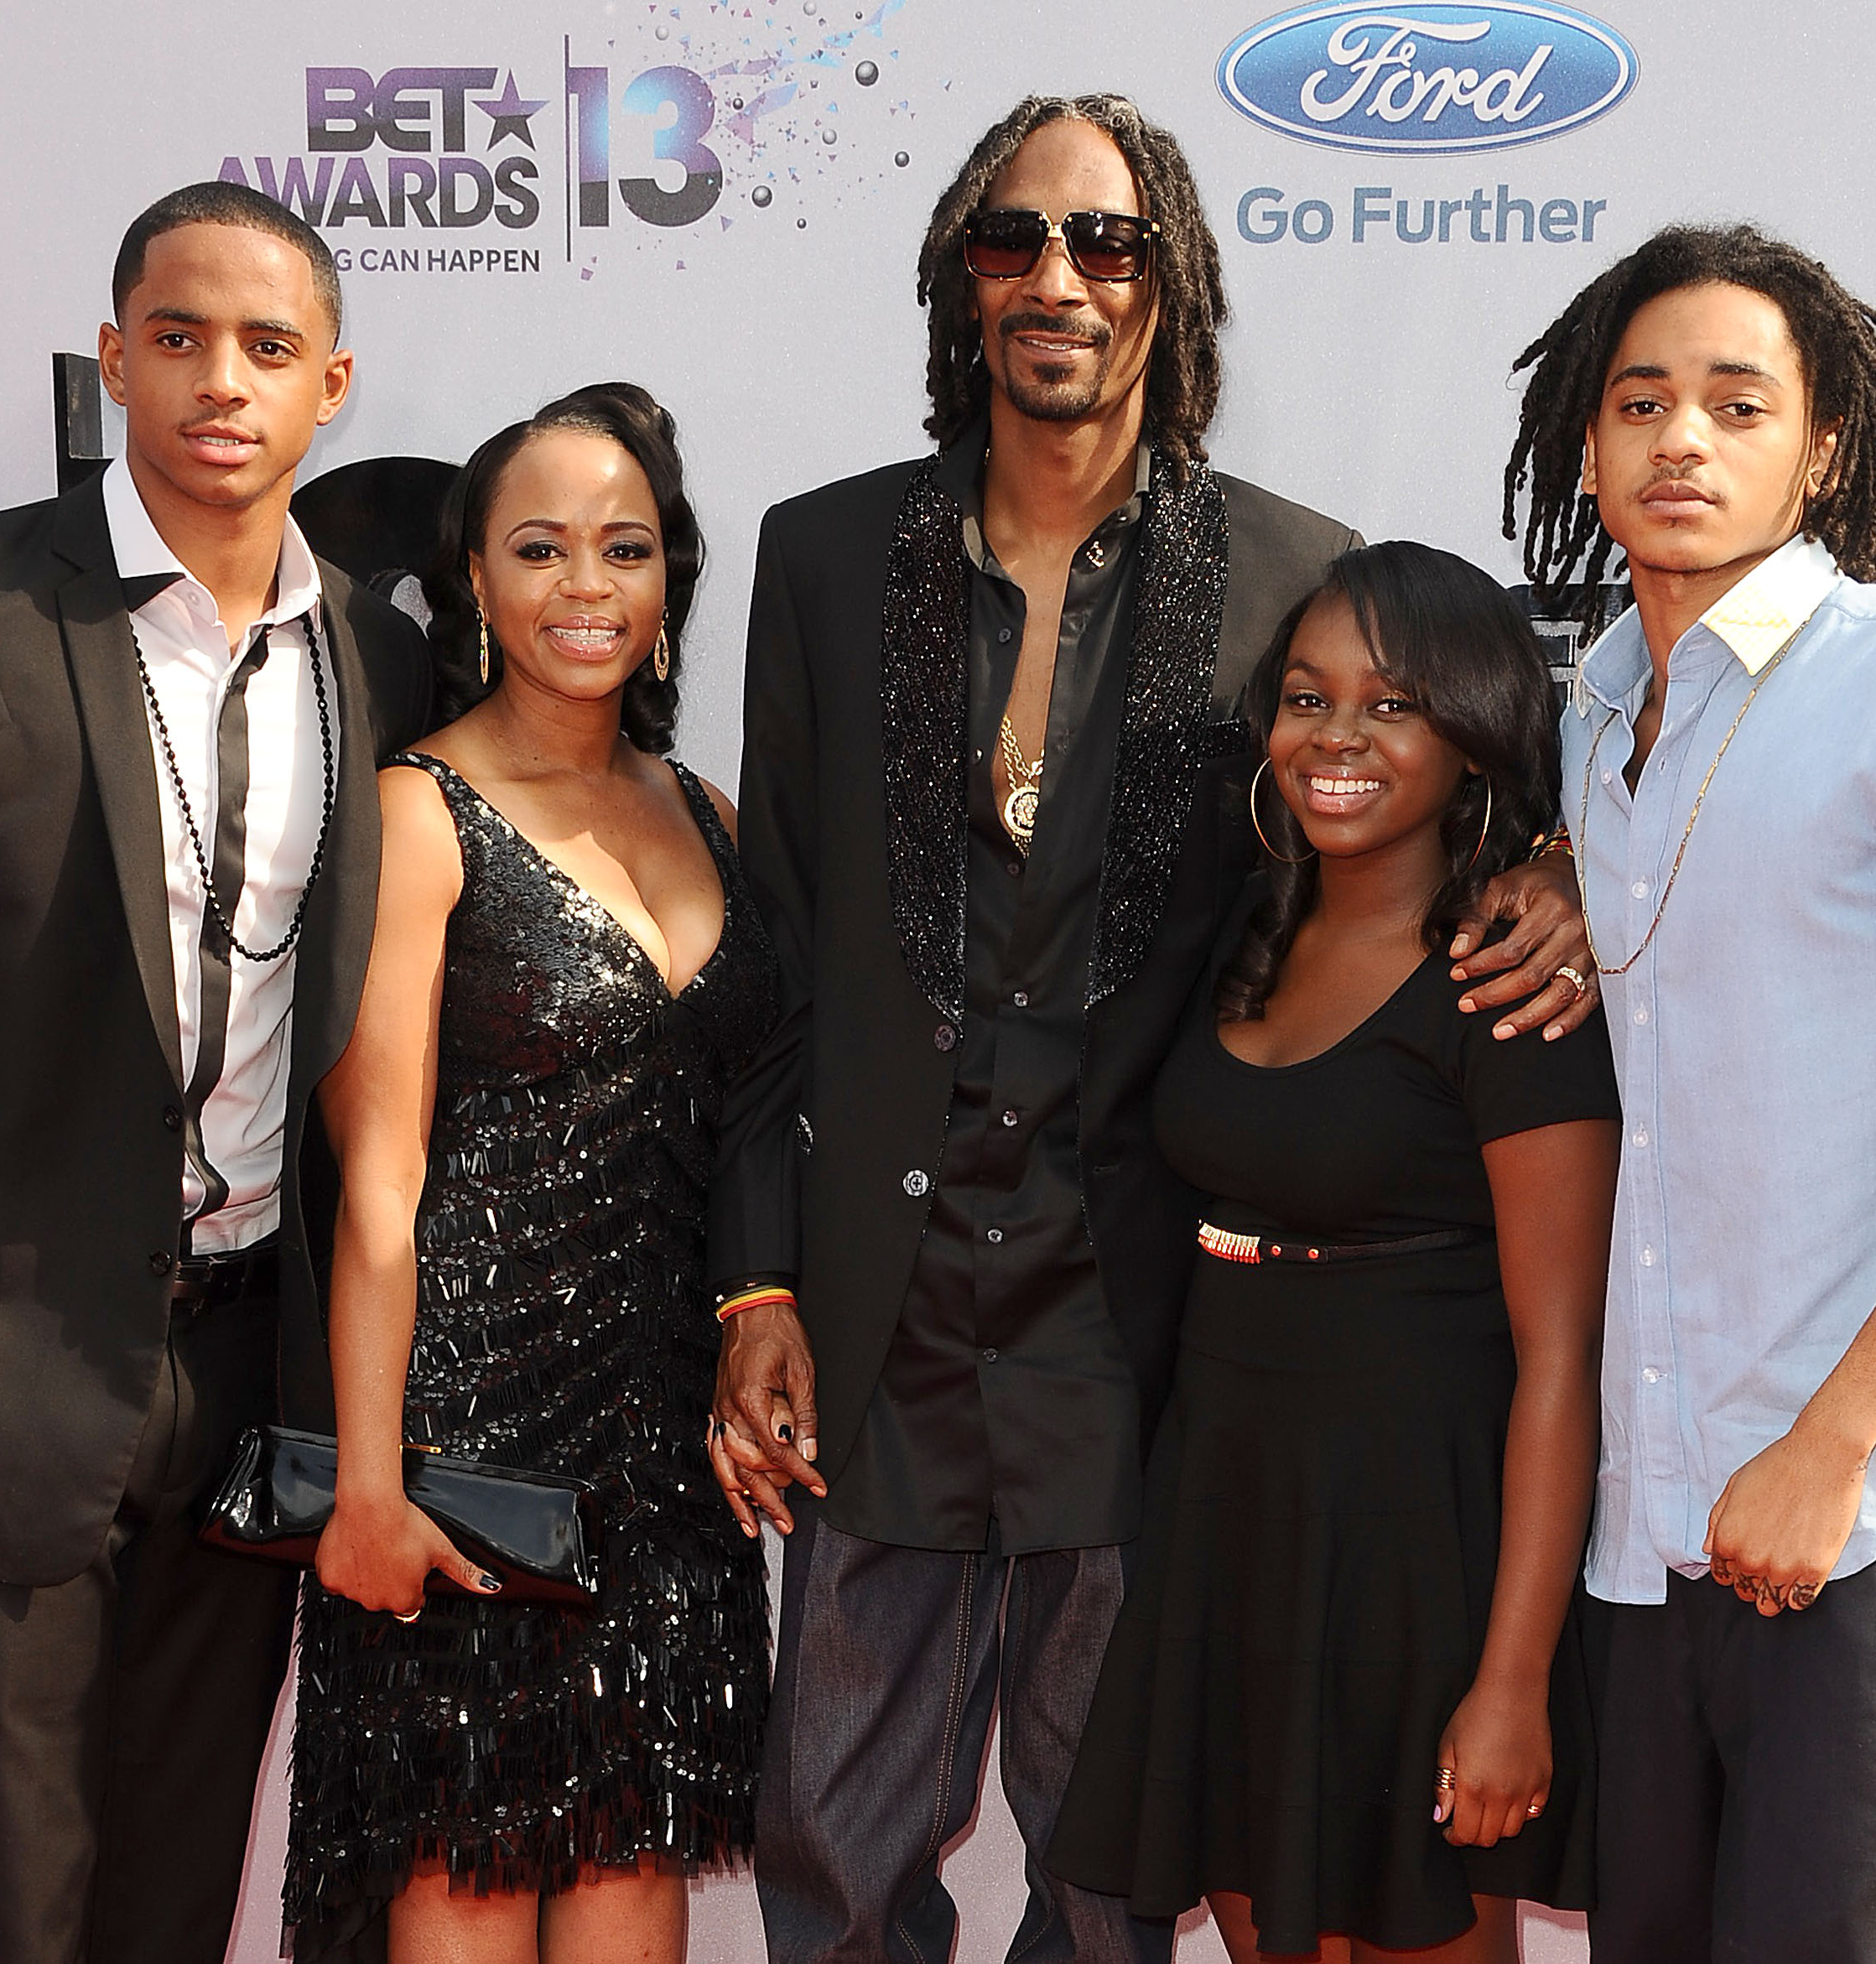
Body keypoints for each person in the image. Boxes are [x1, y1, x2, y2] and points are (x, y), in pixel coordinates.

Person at [703, 95, 1596, 1964]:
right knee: (835, 1858)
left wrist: (1565, 868)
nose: (1060, 279)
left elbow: (1412, 795)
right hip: (880, 1320)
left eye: (1106, 243)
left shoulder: (1289, 571)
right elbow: (773, 967)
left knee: (1114, 1872)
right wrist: (756, 1287)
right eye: (1016, 240)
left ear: (1171, 288)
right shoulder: (824, 555)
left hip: (1138, 1331)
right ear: (963, 285)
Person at [0, 181, 429, 1963]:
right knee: (6, 1910)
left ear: (332, 382)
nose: (223, 381)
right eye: (181, 337)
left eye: (269, 348)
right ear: (113, 356)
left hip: (245, 1387)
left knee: (171, 1906)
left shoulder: (379, 653)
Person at [1502, 224, 1876, 1961]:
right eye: (1643, 401)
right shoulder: (1598, 711)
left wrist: (1831, 1447)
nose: (1685, 438)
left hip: (1869, 1506)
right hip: (1653, 1514)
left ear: (1821, 447)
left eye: (1737, 402)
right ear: (1588, 448)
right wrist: (1549, 860)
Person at [1047, 541, 1619, 1963]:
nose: (1338, 739)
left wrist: (1514, 1678)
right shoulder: (1249, 918)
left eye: (1392, 704)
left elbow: (1561, 1358)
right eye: (1308, 698)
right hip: (1227, 1509)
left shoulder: (1507, 977)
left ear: (1474, 733)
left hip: (1417, 1545)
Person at [287, 383, 774, 1964]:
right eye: (542, 548)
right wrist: (369, 1486)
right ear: (475, 586)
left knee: (635, 1902)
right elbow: (376, 1182)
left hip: (664, 1489)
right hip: (466, 1475)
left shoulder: (711, 814)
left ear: (668, 580)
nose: (587, 586)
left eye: (625, 548)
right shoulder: (420, 813)